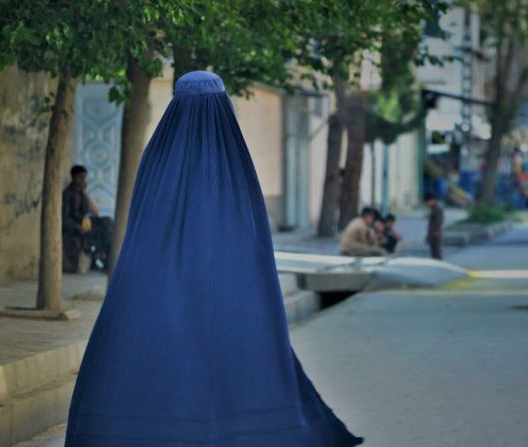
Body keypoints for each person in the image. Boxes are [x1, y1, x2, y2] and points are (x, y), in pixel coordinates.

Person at [65, 71, 363, 446]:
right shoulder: (235, 165)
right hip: (227, 295)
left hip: (162, 290)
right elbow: (251, 240)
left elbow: (142, 232)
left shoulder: (157, 158)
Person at [62, 165, 114, 273]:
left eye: (85, 177)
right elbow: (65, 217)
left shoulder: (82, 193)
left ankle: (108, 262)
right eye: (81, 177)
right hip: (76, 225)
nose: (84, 179)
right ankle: (106, 263)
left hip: (85, 222)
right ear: (74, 177)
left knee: (108, 222)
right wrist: (76, 228)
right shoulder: (67, 194)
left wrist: (84, 192)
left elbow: (96, 211)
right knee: (103, 232)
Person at [424, 192, 444, 260]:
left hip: (436, 235)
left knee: (436, 253)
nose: (426, 204)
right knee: (434, 253)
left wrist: (436, 232)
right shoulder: (433, 209)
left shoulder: (437, 209)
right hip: (433, 234)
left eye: (427, 202)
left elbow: (438, 222)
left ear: (432, 200)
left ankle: (439, 268)